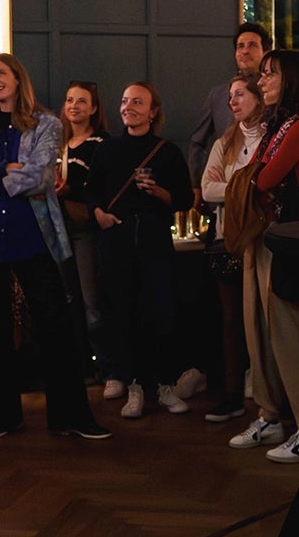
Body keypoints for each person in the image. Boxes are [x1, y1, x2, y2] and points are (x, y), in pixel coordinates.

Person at [0, 53, 106, 440]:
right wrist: (3, 170)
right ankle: (3, 415)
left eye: (0, 73)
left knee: (56, 327)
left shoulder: (47, 123)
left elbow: (39, 177)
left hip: (33, 235)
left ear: (18, 78)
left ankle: (70, 416)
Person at [229, 48, 299, 463]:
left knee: (290, 333)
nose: (262, 81)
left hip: (293, 236)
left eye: (270, 74)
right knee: (259, 329)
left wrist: (244, 181)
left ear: (290, 78)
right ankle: (270, 414)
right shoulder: (275, 124)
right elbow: (255, 175)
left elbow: (264, 178)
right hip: (267, 232)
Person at [91, 82, 196, 420]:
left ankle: (164, 385)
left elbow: (184, 199)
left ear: (153, 112)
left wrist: (159, 193)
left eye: (138, 102)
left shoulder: (167, 152)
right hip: (117, 243)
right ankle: (134, 386)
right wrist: (100, 216)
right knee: (123, 313)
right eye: (125, 101)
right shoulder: (107, 150)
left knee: (160, 312)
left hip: (154, 243)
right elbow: (91, 194)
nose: (128, 107)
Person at [197, 73, 264, 423]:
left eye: (240, 94)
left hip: (262, 239)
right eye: (230, 96)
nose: (232, 101)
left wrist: (233, 184)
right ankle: (231, 393)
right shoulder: (225, 141)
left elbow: (269, 186)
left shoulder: (270, 138)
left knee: (264, 319)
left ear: (258, 97)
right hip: (228, 240)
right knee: (230, 320)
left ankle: (270, 396)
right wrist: (245, 184)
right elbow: (208, 188)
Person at [53, 80, 110, 382]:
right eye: (69, 100)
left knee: (92, 300)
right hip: (58, 227)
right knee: (68, 299)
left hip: (85, 228)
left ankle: (106, 365)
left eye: (81, 101)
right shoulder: (57, 143)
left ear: (94, 108)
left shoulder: (101, 143)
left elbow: (102, 186)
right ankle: (80, 365)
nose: (73, 106)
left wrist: (70, 189)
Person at [188, 21, 271, 179]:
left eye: (252, 45)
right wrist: (196, 182)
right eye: (240, 46)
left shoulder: (274, 94)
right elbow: (197, 141)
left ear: (265, 53)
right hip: (224, 180)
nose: (245, 51)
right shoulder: (218, 95)